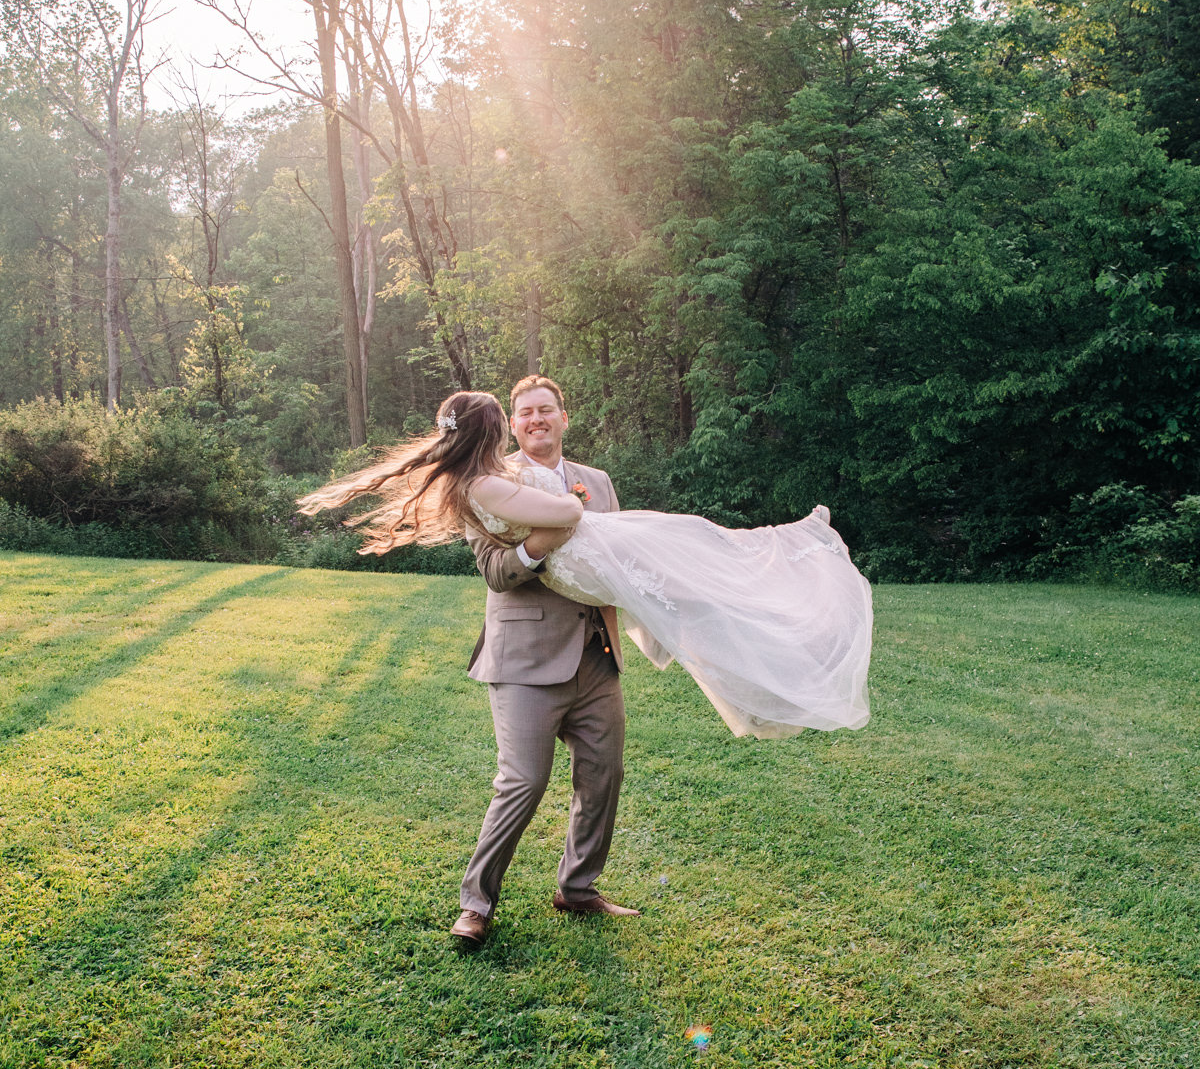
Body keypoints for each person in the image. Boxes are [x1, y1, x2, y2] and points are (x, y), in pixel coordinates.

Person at [298, 382, 873, 947]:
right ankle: (476, 903)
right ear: (510, 426)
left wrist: (675, 607)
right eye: (525, 413)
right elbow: (496, 573)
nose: (536, 420)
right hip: (526, 658)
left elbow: (619, 561)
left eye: (545, 410)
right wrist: (541, 542)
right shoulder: (486, 482)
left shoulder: (596, 481)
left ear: (562, 417)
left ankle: (577, 888)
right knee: (522, 781)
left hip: (597, 654)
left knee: (603, 776)